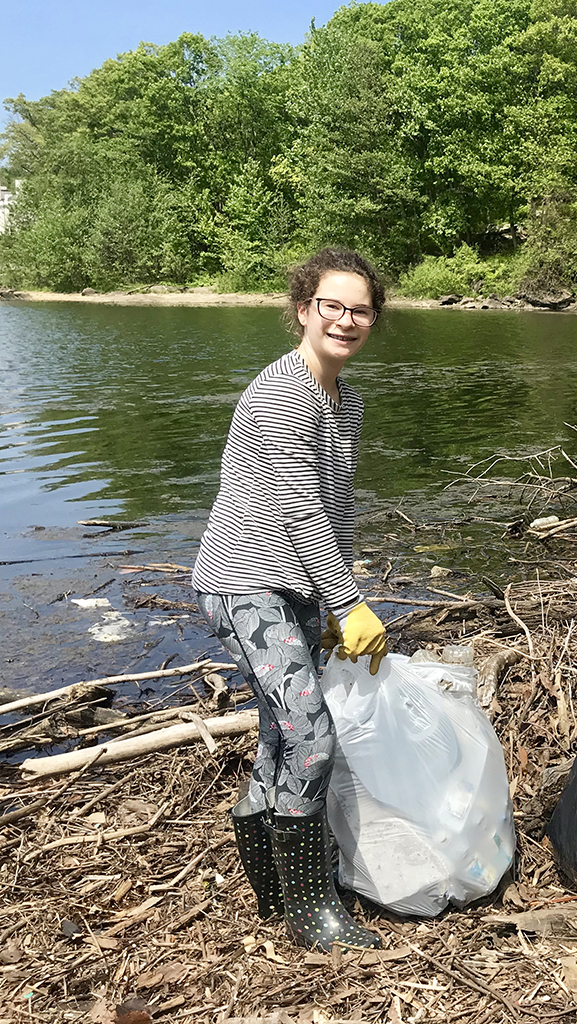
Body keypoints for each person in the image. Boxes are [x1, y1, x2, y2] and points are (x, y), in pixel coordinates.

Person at [192, 247, 389, 952]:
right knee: (310, 730)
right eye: (330, 306)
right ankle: (313, 913)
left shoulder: (347, 398)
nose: (345, 319)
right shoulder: (283, 393)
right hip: (244, 580)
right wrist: (353, 602)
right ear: (303, 311)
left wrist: (335, 605)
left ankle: (276, 894)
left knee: (281, 731)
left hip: (294, 582)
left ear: (372, 320)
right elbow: (298, 508)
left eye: (359, 309)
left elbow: (332, 510)